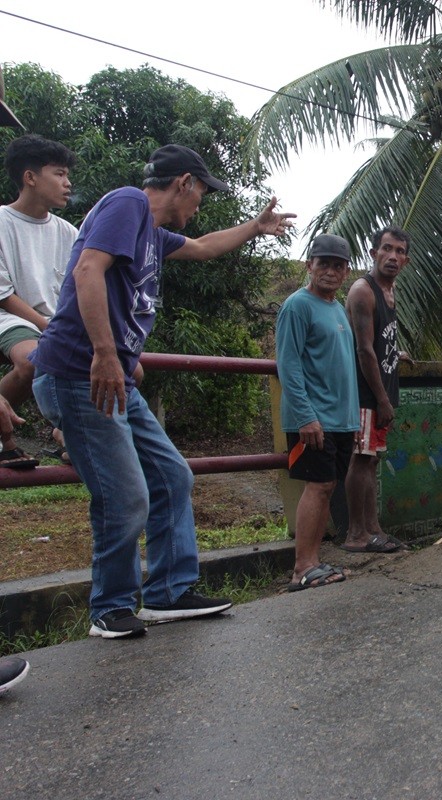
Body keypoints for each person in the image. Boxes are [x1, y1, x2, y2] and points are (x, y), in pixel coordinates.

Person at [30, 144, 295, 638]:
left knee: (172, 476)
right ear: (184, 183)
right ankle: (109, 608)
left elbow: (203, 247)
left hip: (110, 379)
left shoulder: (151, 231)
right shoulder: (128, 203)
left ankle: (168, 593)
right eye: (201, 193)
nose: (200, 205)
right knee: (125, 494)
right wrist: (108, 354)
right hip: (77, 374)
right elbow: (87, 271)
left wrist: (255, 229)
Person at [276, 234, 359, 590]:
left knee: (328, 487)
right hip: (313, 420)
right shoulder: (297, 306)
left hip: (340, 420)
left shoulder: (338, 309)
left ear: (346, 271)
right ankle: (302, 568)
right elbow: (289, 365)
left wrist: (352, 418)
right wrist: (306, 416)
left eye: (337, 265)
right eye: (323, 263)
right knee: (319, 485)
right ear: (309, 265)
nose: (330, 271)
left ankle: (313, 562)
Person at [0, 134, 79, 469]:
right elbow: (4, 295)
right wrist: (50, 327)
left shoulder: (68, 232)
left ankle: (68, 434)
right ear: (29, 178)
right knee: (33, 359)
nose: (67, 182)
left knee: (130, 368)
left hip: (55, 324)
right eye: (59, 174)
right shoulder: (3, 222)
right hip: (10, 316)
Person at [342, 227, 413, 553]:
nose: (393, 257)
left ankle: (374, 530)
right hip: (366, 394)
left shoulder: (389, 290)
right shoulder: (363, 291)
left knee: (370, 460)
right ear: (373, 253)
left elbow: (379, 341)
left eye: (399, 251)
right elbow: (363, 350)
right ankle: (356, 533)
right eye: (387, 249)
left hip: (380, 390)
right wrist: (383, 400)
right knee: (361, 459)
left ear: (406, 260)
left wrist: (396, 354)